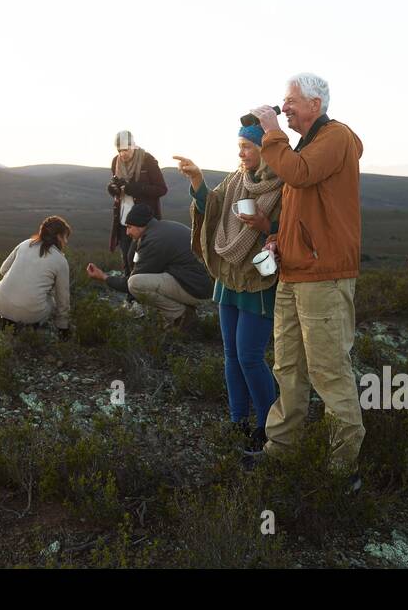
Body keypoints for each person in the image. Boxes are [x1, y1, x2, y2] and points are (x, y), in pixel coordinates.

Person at [248, 72, 365, 493]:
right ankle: (282, 450)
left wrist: (272, 133)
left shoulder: (336, 138)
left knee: (329, 371)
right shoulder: (305, 146)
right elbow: (302, 205)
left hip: (324, 277)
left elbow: (298, 174)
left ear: (316, 103)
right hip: (294, 274)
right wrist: (279, 239)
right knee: (289, 368)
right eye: (284, 101)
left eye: (291, 100)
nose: (286, 107)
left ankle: (342, 470)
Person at [173, 123, 283, 456]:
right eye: (239, 146)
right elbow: (213, 207)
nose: (241, 153)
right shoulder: (236, 179)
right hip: (228, 279)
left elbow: (292, 228)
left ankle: (267, 427)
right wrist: (197, 182)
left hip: (259, 280)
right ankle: (238, 422)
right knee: (231, 356)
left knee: (250, 357)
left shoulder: (284, 185)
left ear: (265, 150)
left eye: (247, 147)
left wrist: (267, 227)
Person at [86, 203, 211, 331]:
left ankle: (181, 315)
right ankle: (183, 310)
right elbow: (135, 260)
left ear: (141, 226)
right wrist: (135, 245)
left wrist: (104, 277)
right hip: (200, 284)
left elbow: (131, 281)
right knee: (144, 279)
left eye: (129, 227)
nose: (127, 232)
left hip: (197, 289)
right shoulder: (160, 228)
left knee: (136, 284)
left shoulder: (153, 240)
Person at [0, 215, 73, 335]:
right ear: (59, 237)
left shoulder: (25, 244)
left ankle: (9, 321)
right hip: (30, 312)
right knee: (53, 299)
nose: (66, 241)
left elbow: (3, 270)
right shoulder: (60, 260)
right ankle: (33, 327)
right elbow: (63, 299)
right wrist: (63, 326)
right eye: (65, 237)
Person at [107, 130, 168, 279]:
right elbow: (116, 185)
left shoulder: (147, 160)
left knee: (140, 259)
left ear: (133, 145)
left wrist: (134, 188)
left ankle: (143, 294)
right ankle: (130, 297)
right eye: (119, 150)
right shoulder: (116, 161)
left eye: (126, 149)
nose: (123, 154)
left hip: (144, 222)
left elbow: (161, 189)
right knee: (127, 261)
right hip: (123, 220)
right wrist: (113, 188)